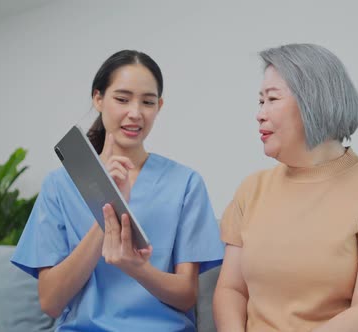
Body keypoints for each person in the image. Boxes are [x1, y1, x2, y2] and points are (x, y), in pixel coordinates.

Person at [11, 50, 224, 331]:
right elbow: (51, 301)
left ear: (159, 106)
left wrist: (136, 267)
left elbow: (186, 295)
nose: (135, 113)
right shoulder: (59, 186)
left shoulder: (185, 184)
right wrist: (109, 205)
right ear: (98, 98)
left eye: (147, 102)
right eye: (122, 99)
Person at [213, 43, 358, 332]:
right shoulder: (252, 189)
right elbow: (231, 290)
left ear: (313, 101)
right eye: (260, 102)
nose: (260, 114)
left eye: (272, 99)